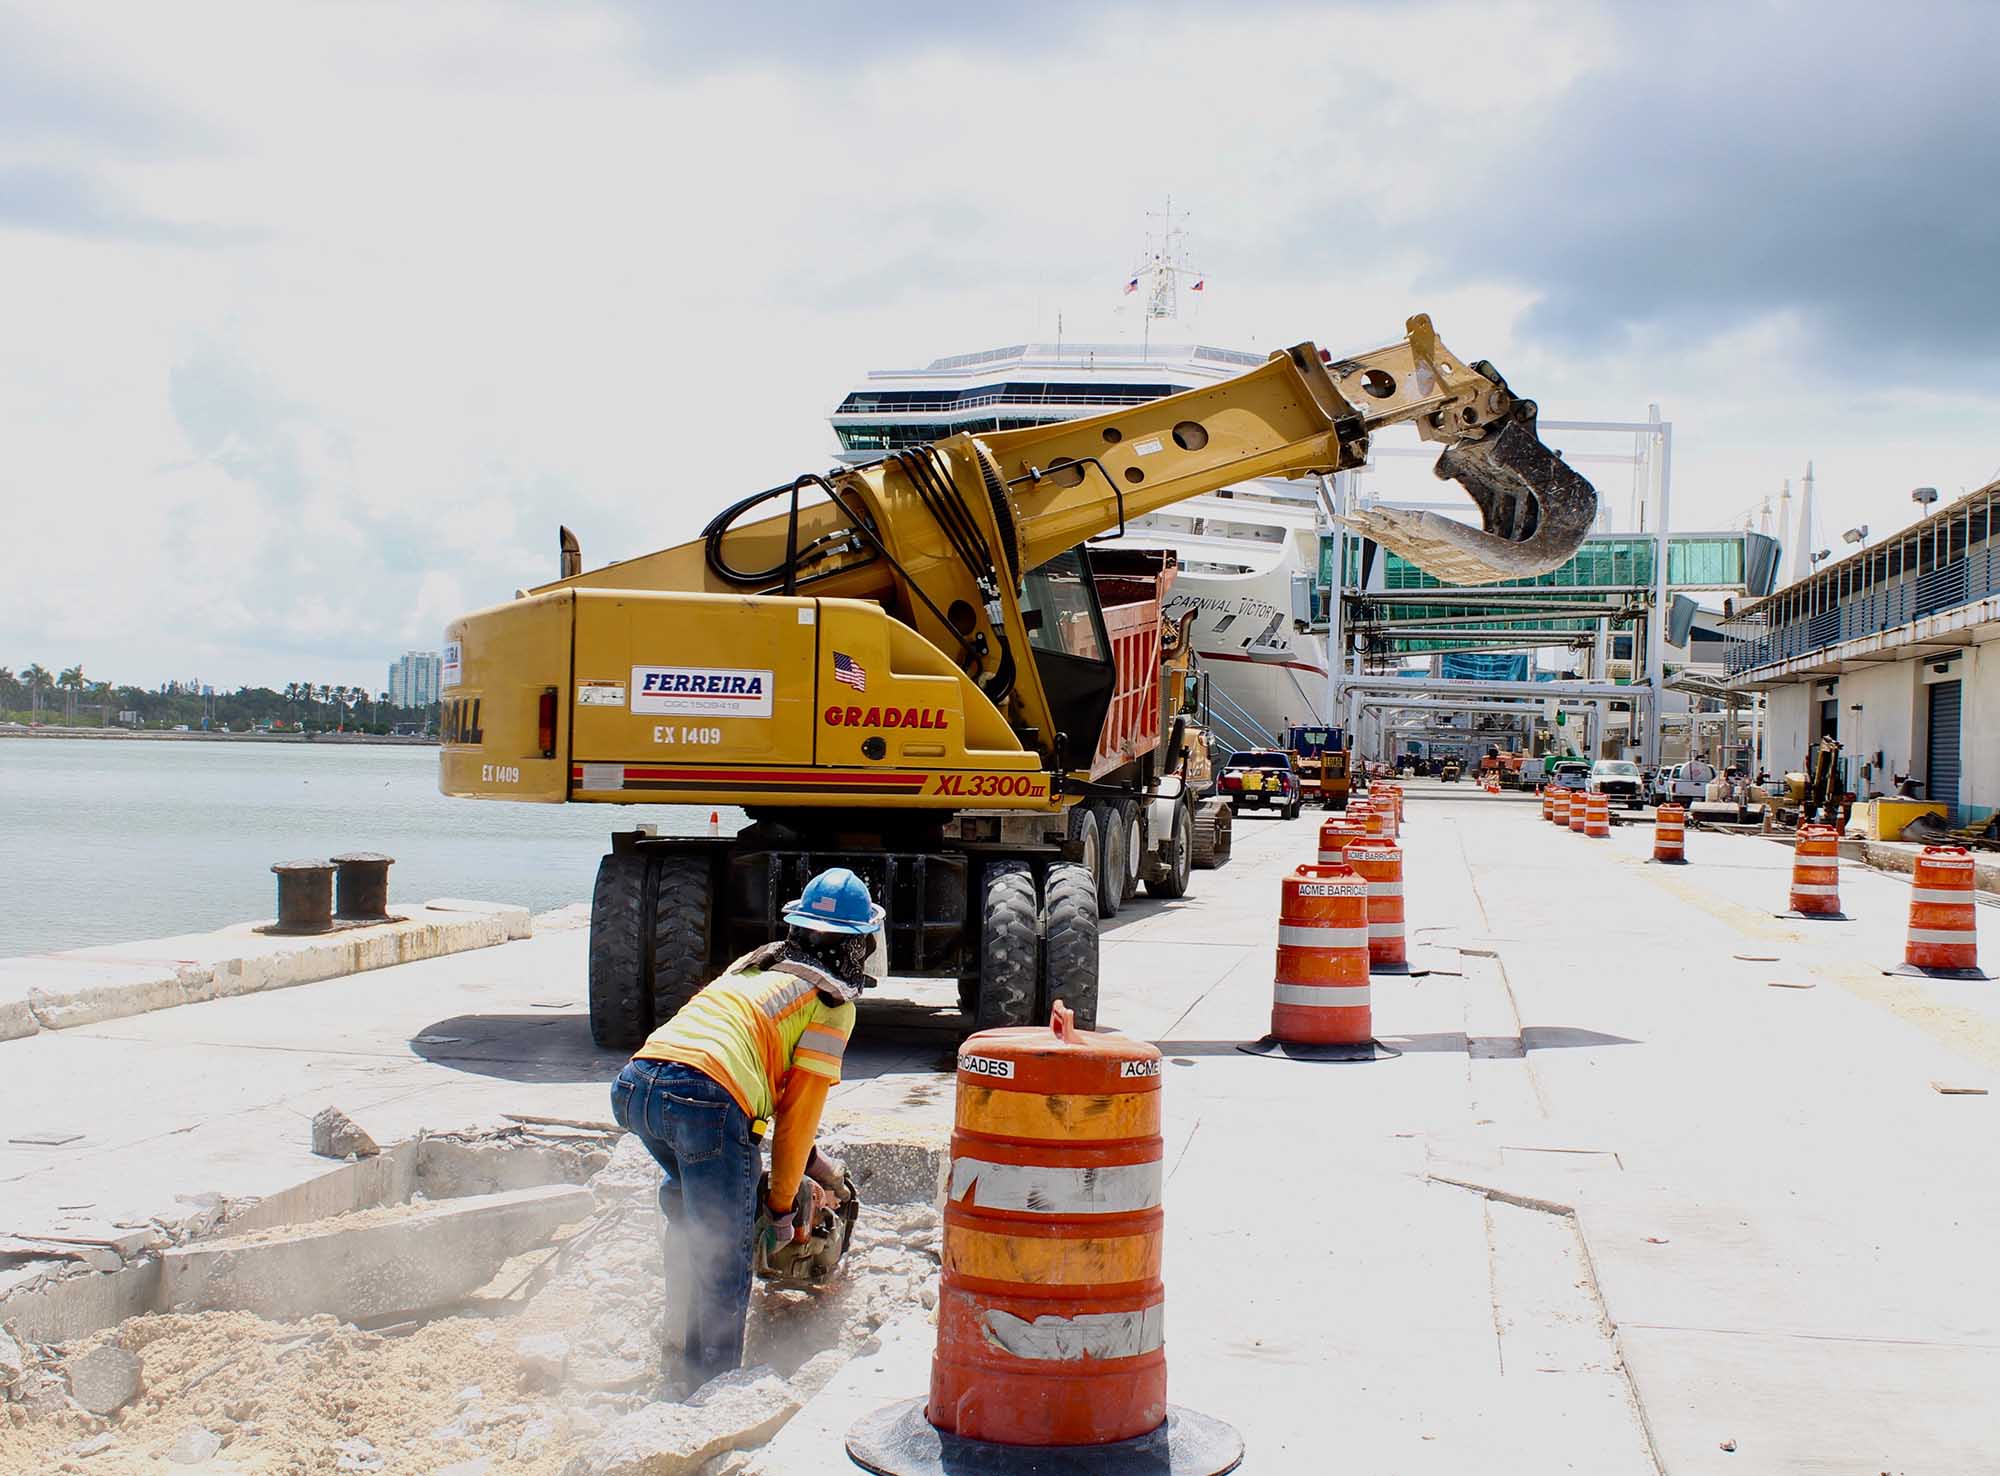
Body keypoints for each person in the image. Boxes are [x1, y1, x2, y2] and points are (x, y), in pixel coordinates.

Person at [610, 866, 880, 1386]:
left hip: (638, 1083)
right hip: (706, 1100)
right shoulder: (830, 1005)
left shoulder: (756, 966)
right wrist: (780, 1207)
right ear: (856, 944)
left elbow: (757, 1073)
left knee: (693, 1212)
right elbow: (797, 1118)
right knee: (728, 1246)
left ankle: (675, 1339)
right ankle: (708, 1384)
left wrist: (815, 1169)